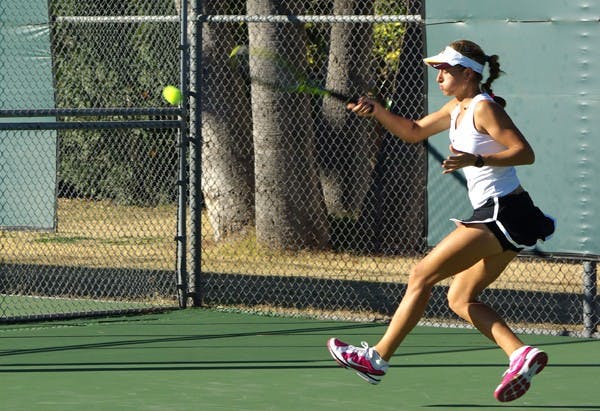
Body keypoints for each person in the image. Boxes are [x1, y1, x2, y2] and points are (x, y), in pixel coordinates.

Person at [327, 40, 555, 402]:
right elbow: (414, 131)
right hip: (511, 214)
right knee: (460, 297)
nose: (439, 75)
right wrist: (379, 111)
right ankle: (519, 353)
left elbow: (524, 153)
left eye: (446, 69)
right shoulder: (457, 107)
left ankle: (376, 359)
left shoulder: (483, 109)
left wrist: (476, 161)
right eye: (437, 69)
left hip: (502, 211)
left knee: (422, 274)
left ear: (468, 73)